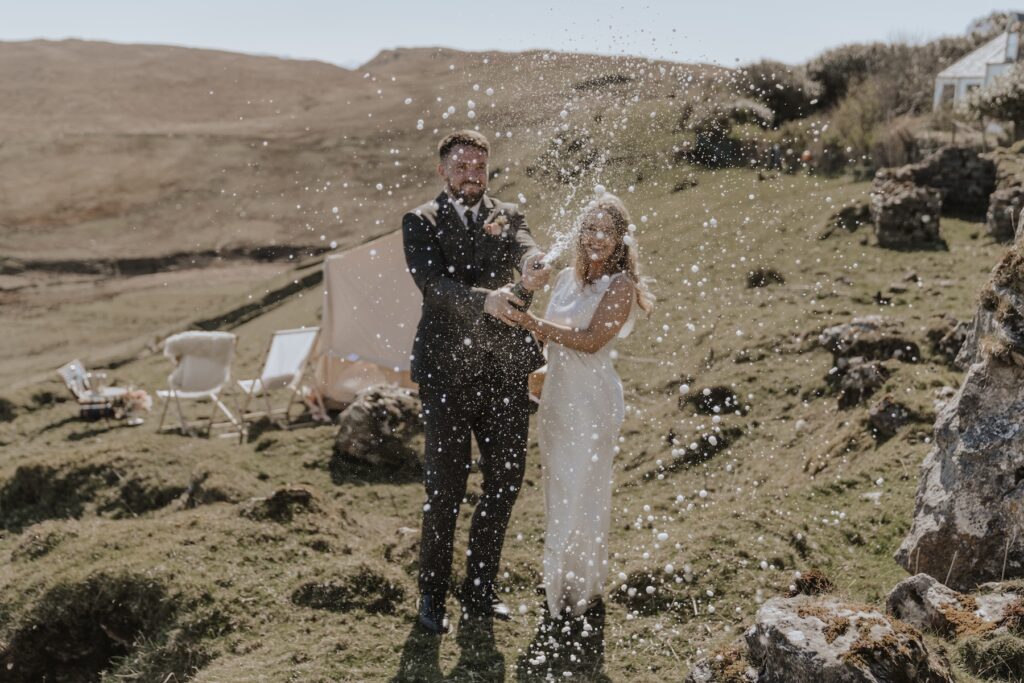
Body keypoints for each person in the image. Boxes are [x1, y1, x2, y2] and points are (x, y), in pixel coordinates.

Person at [402, 129, 551, 634]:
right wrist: (484, 299)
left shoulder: (507, 214)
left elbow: (527, 248)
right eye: (462, 166)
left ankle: (480, 591)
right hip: (446, 374)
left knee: (504, 482)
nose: (472, 175)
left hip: (504, 372)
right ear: (443, 170)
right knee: (444, 488)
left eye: (479, 167)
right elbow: (433, 285)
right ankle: (432, 595)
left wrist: (532, 265)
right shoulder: (421, 220)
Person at [508, 193, 654, 621]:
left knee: (584, 490)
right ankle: (557, 577)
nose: (596, 238)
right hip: (557, 398)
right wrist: (533, 352)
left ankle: (580, 589)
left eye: (606, 231)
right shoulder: (565, 279)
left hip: (591, 401)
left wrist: (534, 323)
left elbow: (590, 341)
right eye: (589, 228)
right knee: (558, 489)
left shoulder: (621, 286)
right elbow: (549, 337)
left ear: (620, 238)